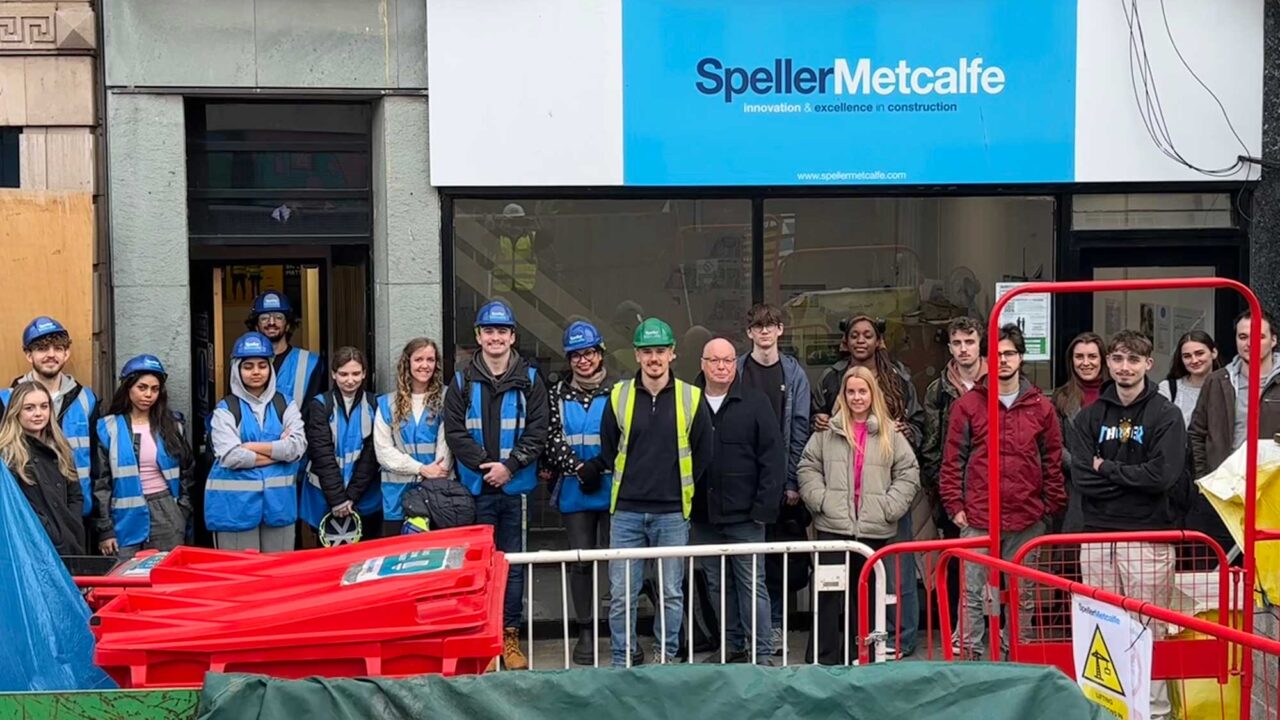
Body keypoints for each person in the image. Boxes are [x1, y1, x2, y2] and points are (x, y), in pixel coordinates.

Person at [1067, 329, 1185, 720]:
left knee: (1147, 627)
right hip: (1098, 536)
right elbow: (1083, 478)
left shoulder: (1166, 415)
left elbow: (1162, 477)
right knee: (1101, 625)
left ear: (1148, 364)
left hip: (1148, 537)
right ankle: (1107, 709)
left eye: (1133, 360)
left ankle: (1153, 711)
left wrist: (1109, 469)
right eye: (1117, 359)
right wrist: (1130, 478)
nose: (1124, 367)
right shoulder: (1089, 416)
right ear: (1109, 363)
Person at [593, 317, 714, 667]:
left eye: (660, 351)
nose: (654, 358)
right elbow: (609, 449)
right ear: (637, 355)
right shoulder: (620, 395)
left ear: (673, 354)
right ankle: (623, 658)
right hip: (627, 511)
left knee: (671, 593)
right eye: (647, 352)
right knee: (621, 595)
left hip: (672, 511)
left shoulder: (692, 398)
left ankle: (665, 659)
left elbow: (704, 453)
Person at [939, 325, 1066, 658]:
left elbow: (1053, 460)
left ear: (1021, 357)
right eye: (996, 354)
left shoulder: (1041, 407)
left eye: (1009, 353)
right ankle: (970, 659)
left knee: (1023, 596)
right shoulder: (968, 405)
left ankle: (1017, 657)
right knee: (971, 594)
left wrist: (1048, 507)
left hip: (1027, 519)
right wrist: (955, 506)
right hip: (979, 517)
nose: (1003, 360)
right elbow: (952, 458)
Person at [444, 300, 548, 671]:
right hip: (476, 488)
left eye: (502, 331)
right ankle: (483, 641)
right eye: (489, 331)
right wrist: (486, 467)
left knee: (512, 566)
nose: (495, 337)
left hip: (515, 489)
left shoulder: (532, 380)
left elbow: (538, 431)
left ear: (512, 336)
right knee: (478, 568)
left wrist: (510, 466)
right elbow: (455, 432)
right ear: (478, 336)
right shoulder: (460, 380)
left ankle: (509, 637)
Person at [811, 315, 924, 655]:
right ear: (845, 341)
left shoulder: (898, 377)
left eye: (868, 335)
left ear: (879, 340)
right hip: (842, 508)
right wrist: (823, 500)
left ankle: (899, 640)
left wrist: (908, 433)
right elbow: (813, 440)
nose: (861, 340)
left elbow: (919, 426)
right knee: (840, 583)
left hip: (885, 500)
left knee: (896, 576)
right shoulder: (831, 378)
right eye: (855, 335)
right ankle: (845, 648)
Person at [693, 337, 786, 663]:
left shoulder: (756, 402)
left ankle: (760, 653)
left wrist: (764, 508)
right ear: (702, 363)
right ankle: (730, 648)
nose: (722, 367)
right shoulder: (688, 402)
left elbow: (773, 458)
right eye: (715, 360)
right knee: (718, 586)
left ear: (736, 364)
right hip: (703, 516)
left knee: (752, 586)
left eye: (729, 360)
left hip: (747, 516)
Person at [736, 303, 811, 654]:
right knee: (746, 563)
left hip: (779, 484)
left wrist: (793, 480)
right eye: (758, 327)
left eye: (770, 326)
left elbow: (800, 429)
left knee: (776, 562)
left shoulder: (794, 374)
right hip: (741, 482)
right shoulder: (735, 370)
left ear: (781, 330)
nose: (764, 332)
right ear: (749, 332)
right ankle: (745, 634)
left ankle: (775, 627)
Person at [542, 321, 616, 665]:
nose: (583, 361)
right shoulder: (556, 393)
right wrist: (577, 467)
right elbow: (551, 437)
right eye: (575, 355)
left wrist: (599, 463)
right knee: (581, 563)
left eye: (588, 353)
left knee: (617, 563)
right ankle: (586, 631)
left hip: (613, 486)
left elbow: (625, 434)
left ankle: (619, 629)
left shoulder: (619, 390)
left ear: (600, 354)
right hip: (575, 489)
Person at [205, 332, 308, 552]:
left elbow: (297, 447)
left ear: (270, 368)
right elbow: (231, 456)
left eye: (262, 365)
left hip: (279, 508)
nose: (255, 372)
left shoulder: (285, 403)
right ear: (237, 369)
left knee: (277, 578)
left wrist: (250, 447)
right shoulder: (226, 409)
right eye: (248, 366)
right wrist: (278, 454)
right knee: (240, 580)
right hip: (234, 511)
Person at [1189, 311, 1280, 556]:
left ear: (1273, 340)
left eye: (1259, 336)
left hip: (1272, 495)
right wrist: (1204, 478)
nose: (1249, 343)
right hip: (1225, 493)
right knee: (1222, 572)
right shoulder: (1218, 380)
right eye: (1242, 336)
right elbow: (1197, 433)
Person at [921, 317, 986, 645]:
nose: (964, 349)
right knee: (959, 566)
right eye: (957, 343)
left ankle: (1000, 634)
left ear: (980, 343)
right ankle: (959, 635)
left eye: (969, 341)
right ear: (949, 347)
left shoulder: (999, 379)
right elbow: (931, 446)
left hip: (996, 491)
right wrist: (946, 492)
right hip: (955, 493)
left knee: (1000, 566)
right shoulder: (938, 390)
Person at [92, 355, 194, 561]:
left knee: (166, 576)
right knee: (125, 578)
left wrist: (181, 510)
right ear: (128, 387)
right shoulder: (108, 427)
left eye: (155, 389)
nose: (148, 395)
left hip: (167, 511)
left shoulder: (173, 426)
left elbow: (187, 472)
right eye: (142, 387)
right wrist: (105, 529)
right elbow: (101, 483)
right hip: (124, 516)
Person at [1, 317, 98, 530]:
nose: (51, 354)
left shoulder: (86, 399)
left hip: (78, 515)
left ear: (67, 353)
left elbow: (97, 465)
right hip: (28, 524)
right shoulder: (5, 400)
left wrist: (100, 524)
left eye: (58, 348)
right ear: (28, 354)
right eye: (42, 348)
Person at [302, 347, 381, 543]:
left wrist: (351, 496)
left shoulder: (375, 404)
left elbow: (371, 456)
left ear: (364, 374)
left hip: (364, 497)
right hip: (324, 497)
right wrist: (338, 500)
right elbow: (322, 455)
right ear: (333, 374)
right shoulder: (320, 405)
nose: (350, 380)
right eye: (343, 374)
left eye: (356, 373)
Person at [375, 338, 453, 537]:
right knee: (398, 561)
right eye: (418, 359)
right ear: (407, 362)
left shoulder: (447, 398)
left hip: (436, 495)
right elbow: (383, 451)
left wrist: (435, 471)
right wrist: (420, 469)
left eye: (430, 360)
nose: (425, 365)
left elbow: (447, 444)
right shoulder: (387, 403)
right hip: (396, 497)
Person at [0, 382, 84, 555]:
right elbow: (14, 509)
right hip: (33, 549)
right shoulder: (8, 454)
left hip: (69, 543)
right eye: (29, 408)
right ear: (16, 412)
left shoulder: (61, 448)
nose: (38, 413)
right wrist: (49, 531)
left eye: (44, 407)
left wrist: (72, 523)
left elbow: (75, 495)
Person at [1051, 332, 1109, 533]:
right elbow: (1055, 443)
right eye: (1079, 357)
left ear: (1103, 359)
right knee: (1072, 553)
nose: (1085, 363)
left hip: (1113, 484)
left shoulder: (1117, 393)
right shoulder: (1061, 397)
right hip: (1074, 487)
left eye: (1092, 356)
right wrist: (1081, 466)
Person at [245, 291, 326, 410]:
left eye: (278, 317)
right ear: (256, 327)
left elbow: (316, 413)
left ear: (288, 325)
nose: (271, 322)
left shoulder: (310, 363)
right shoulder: (242, 363)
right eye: (264, 318)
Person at [1158, 330, 1221, 427]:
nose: (1194, 360)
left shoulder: (1228, 387)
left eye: (1199, 353)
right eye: (1187, 356)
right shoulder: (1168, 389)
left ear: (1214, 353)